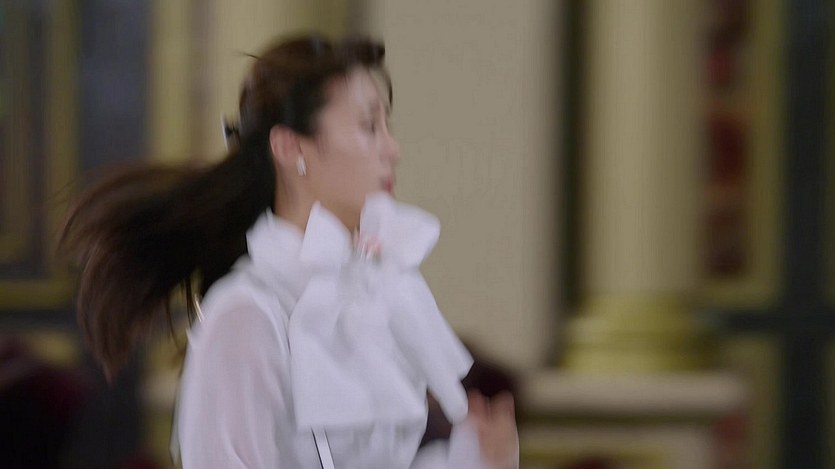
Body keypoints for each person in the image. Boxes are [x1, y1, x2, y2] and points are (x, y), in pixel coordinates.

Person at [60, 34, 518, 468]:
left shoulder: (374, 296)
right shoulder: (247, 316)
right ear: (291, 148)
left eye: (387, 127)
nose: (392, 149)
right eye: (369, 127)